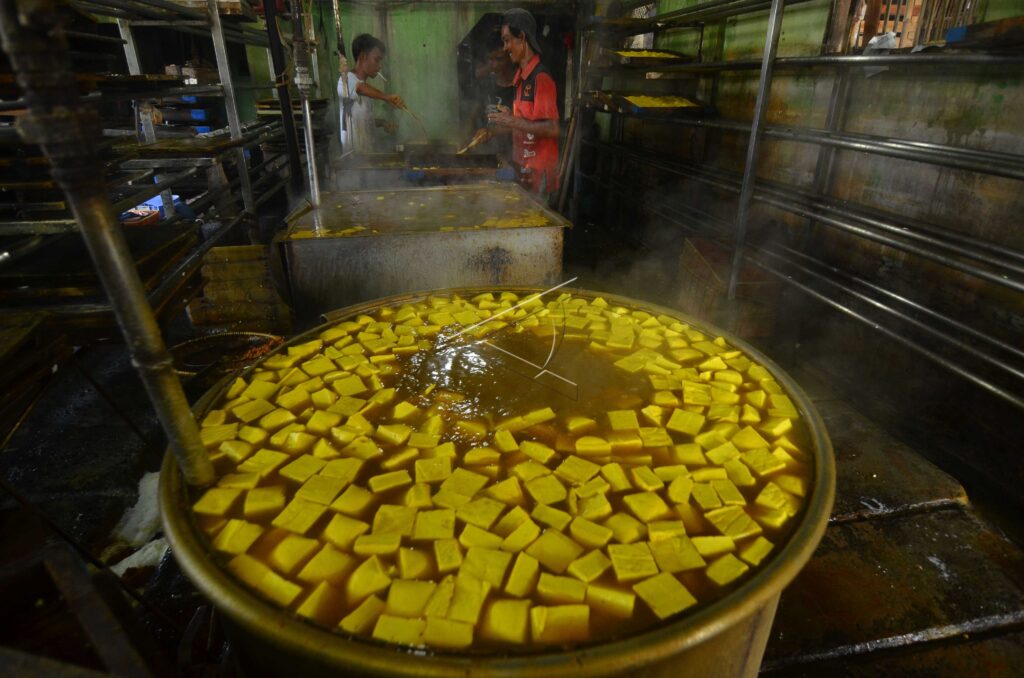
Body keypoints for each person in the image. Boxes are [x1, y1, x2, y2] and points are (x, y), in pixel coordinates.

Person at [486, 8, 560, 198]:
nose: (505, 47)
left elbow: (552, 129)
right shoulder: (520, 78)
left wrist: (512, 121)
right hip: (525, 173)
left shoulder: (540, 78)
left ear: (522, 38)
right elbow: (526, 124)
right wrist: (505, 123)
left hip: (540, 177)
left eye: (507, 40)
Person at [339, 34, 405, 154]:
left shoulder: (365, 89)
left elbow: (362, 120)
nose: (379, 66)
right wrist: (387, 97)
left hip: (367, 157)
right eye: (377, 60)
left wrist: (383, 123)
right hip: (353, 160)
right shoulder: (346, 80)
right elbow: (360, 89)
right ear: (363, 57)